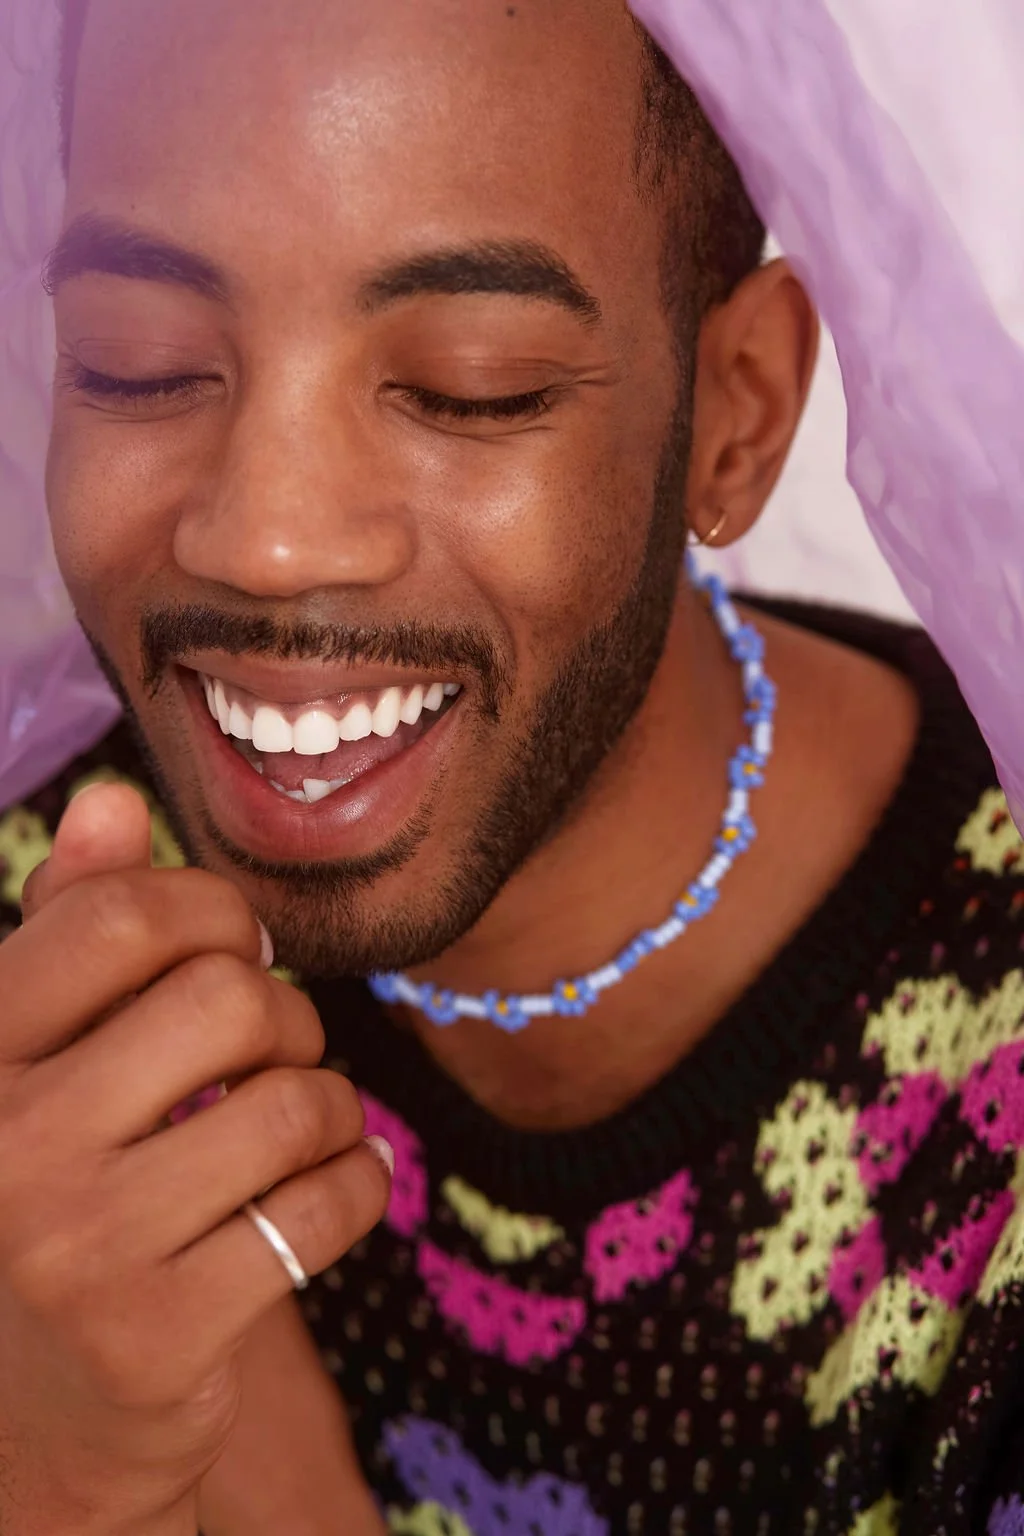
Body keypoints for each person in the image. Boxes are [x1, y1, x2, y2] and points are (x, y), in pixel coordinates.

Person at [1, 0, 1023, 1531]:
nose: (264, 535)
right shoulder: (44, 946)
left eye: (473, 386)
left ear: (733, 420)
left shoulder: (990, 1154)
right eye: (138, 365)